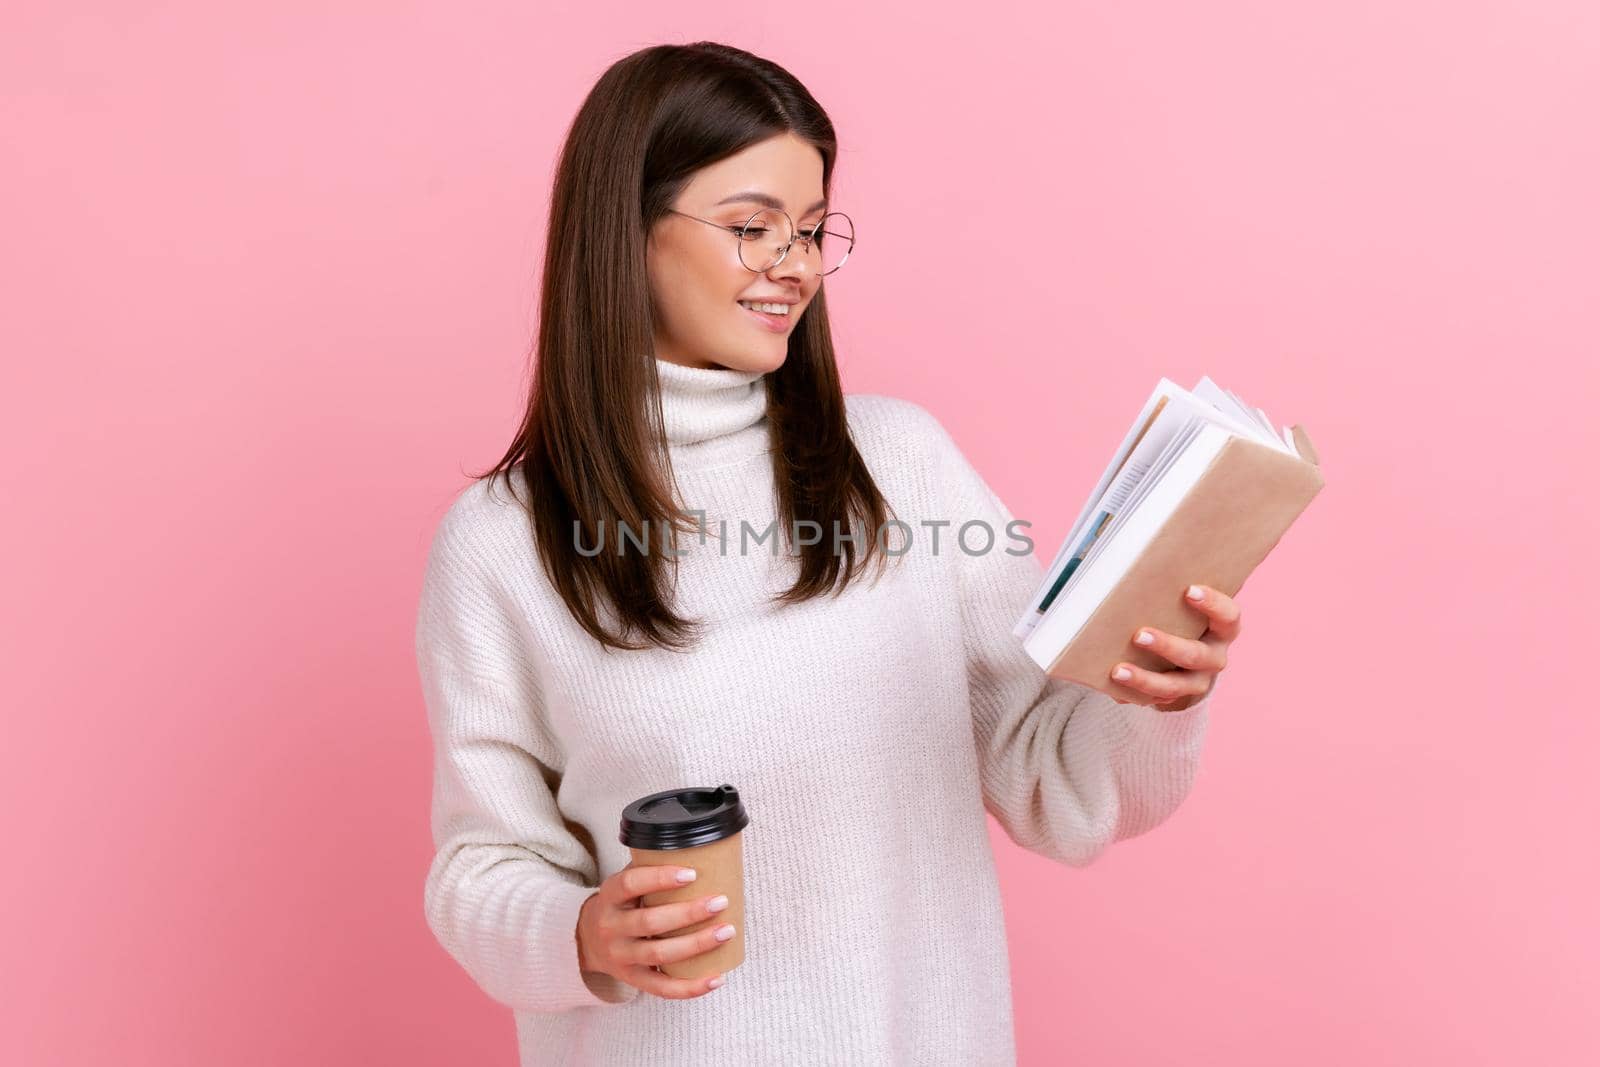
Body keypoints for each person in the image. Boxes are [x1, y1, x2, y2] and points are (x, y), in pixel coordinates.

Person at [413, 40, 1237, 1067]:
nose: (794, 264)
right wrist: (581, 933)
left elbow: (1053, 777)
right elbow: (482, 864)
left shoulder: (901, 463)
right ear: (621, 232)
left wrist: (1148, 692)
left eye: (810, 230)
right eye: (753, 227)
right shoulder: (503, 542)